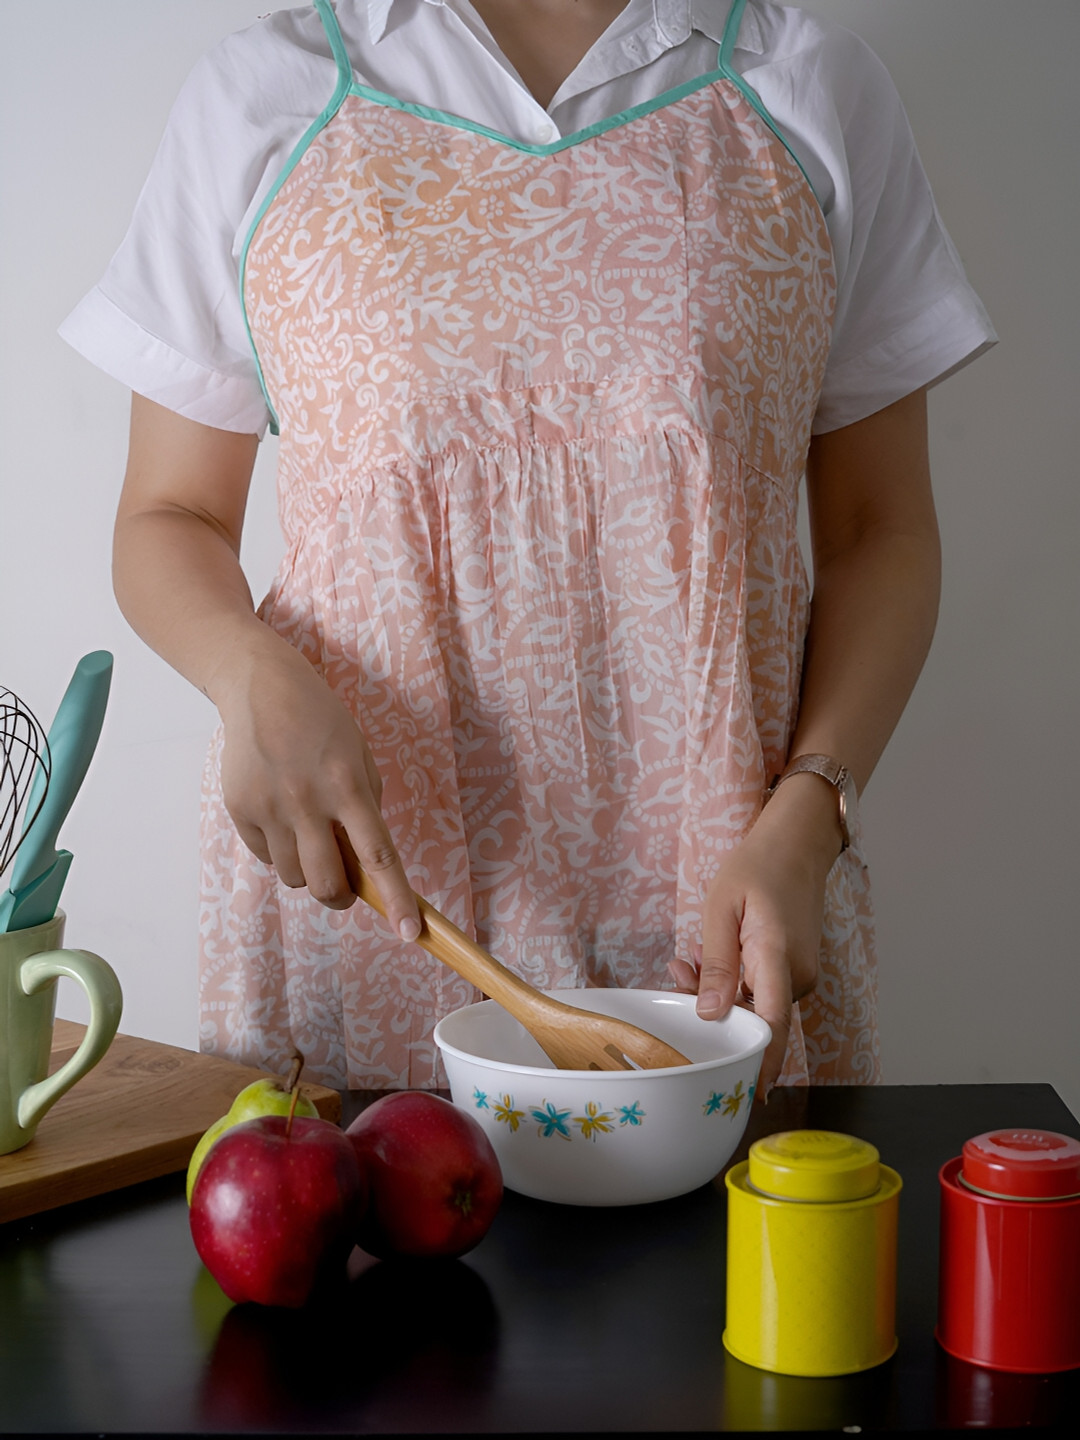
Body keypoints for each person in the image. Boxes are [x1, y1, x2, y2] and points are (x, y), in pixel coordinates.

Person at [61, 0, 995, 1095]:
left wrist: (813, 811)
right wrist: (245, 670)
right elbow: (169, 516)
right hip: (368, 892)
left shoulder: (808, 87)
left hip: (733, 911)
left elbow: (878, 529)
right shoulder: (274, 94)